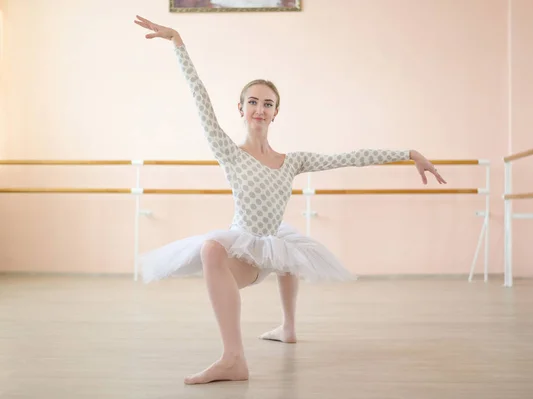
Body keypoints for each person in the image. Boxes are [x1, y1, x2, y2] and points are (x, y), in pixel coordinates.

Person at [133, 15, 446, 385]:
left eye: (267, 104)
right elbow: (200, 97)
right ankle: (233, 358)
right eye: (252, 102)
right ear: (241, 109)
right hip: (243, 252)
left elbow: (351, 156)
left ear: (276, 113)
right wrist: (178, 43)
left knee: (285, 241)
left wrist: (408, 153)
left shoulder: (292, 161)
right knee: (211, 249)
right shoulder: (229, 152)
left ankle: (288, 327)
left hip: (271, 243)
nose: (259, 109)